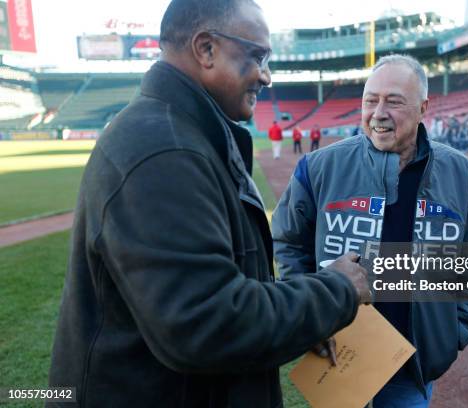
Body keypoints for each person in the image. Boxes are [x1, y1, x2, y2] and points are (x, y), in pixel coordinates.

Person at [47, 1, 372, 406]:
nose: (266, 76)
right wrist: (337, 290)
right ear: (206, 49)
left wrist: (306, 318)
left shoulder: (187, 133)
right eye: (257, 56)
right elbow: (207, 322)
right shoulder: (163, 150)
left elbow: (226, 283)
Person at [272, 55, 468, 407]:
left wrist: (455, 330)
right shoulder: (318, 167)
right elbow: (289, 242)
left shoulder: (463, 175)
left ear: (423, 107)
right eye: (370, 100)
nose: (378, 112)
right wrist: (309, 313)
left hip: (410, 370)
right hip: (337, 354)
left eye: (393, 101)